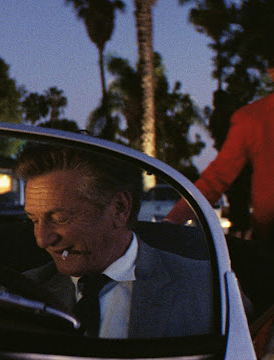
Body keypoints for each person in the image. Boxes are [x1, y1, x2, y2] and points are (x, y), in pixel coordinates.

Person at [15, 144, 214, 338]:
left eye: (60, 218)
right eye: (34, 220)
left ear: (119, 208)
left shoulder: (206, 287)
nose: (42, 240)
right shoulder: (21, 292)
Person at [165, 60, 274, 250]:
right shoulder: (253, 118)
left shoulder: (253, 117)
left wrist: (171, 223)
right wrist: (172, 223)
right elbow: (217, 178)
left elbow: (216, 179)